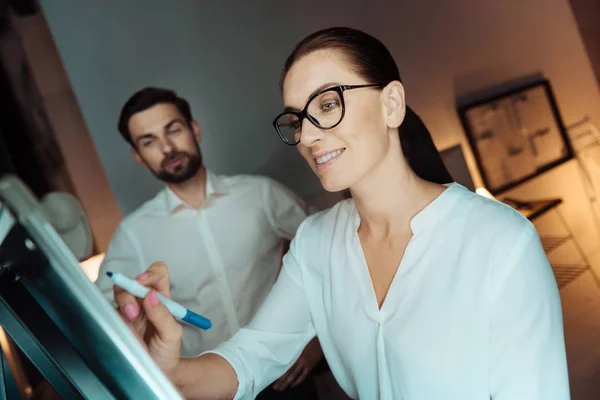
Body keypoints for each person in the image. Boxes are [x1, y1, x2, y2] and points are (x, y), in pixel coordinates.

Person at [114, 28, 570, 399]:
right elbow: (251, 357)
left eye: (327, 105)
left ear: (391, 104)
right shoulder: (316, 243)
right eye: (297, 120)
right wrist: (167, 369)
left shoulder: (500, 241)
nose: (309, 136)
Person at [95, 87, 323, 398]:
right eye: (149, 141)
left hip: (284, 379)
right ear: (138, 156)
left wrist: (316, 341)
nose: (167, 147)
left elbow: (329, 256)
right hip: (206, 389)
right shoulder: (132, 234)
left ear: (195, 130)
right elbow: (98, 318)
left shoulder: (261, 195)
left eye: (173, 130)